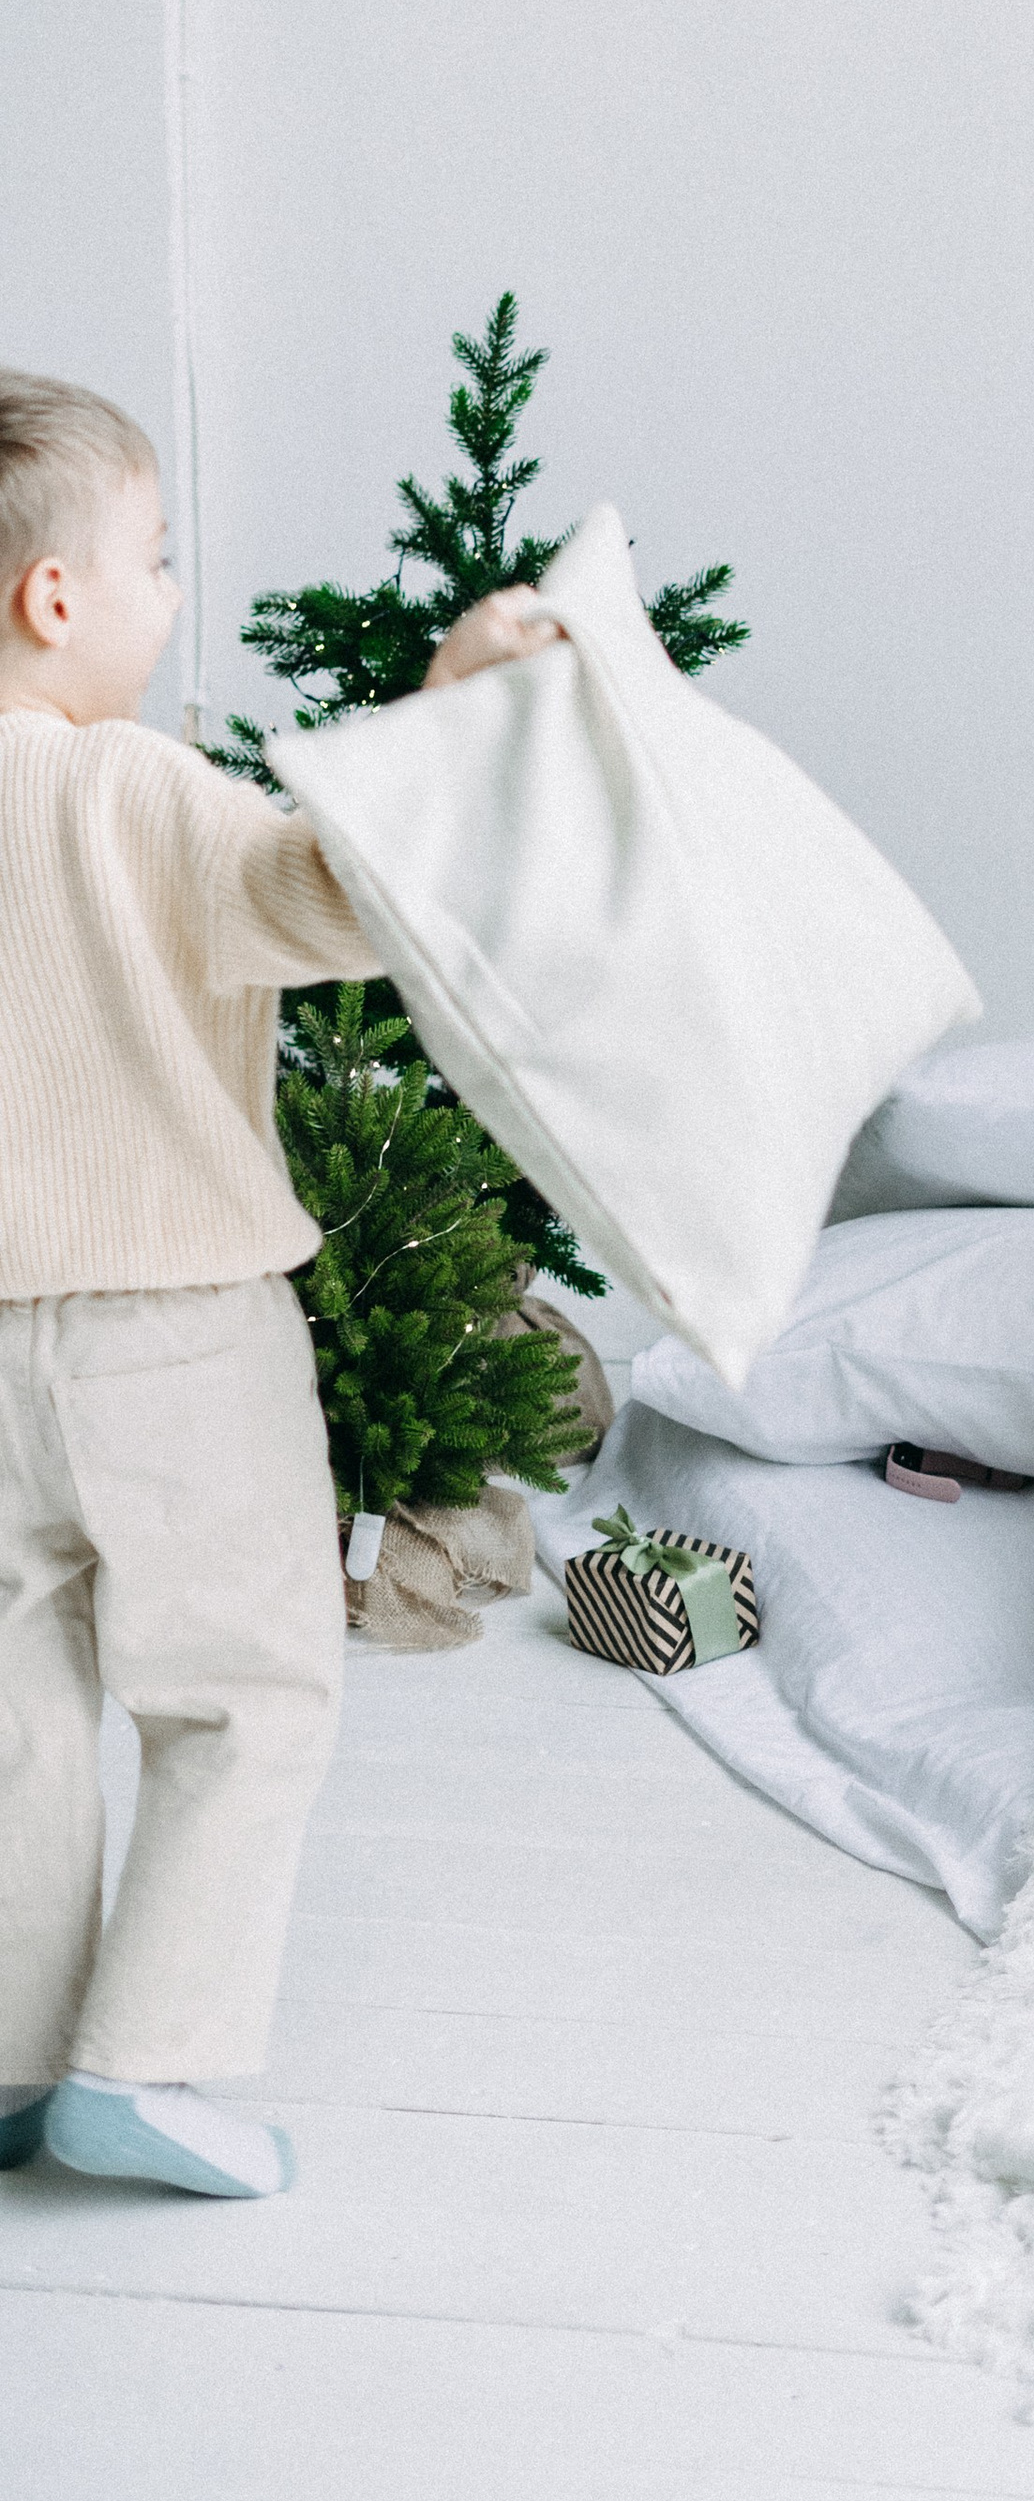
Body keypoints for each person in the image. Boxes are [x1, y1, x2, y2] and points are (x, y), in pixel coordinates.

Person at [0, 371, 556, 2197]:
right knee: (242, 1688)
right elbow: (330, 897)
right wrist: (451, 717)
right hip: (175, 1332)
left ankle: (10, 2058)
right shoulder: (133, 788)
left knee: (13, 1716)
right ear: (54, 597)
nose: (174, 593)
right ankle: (143, 2060)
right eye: (156, 557)